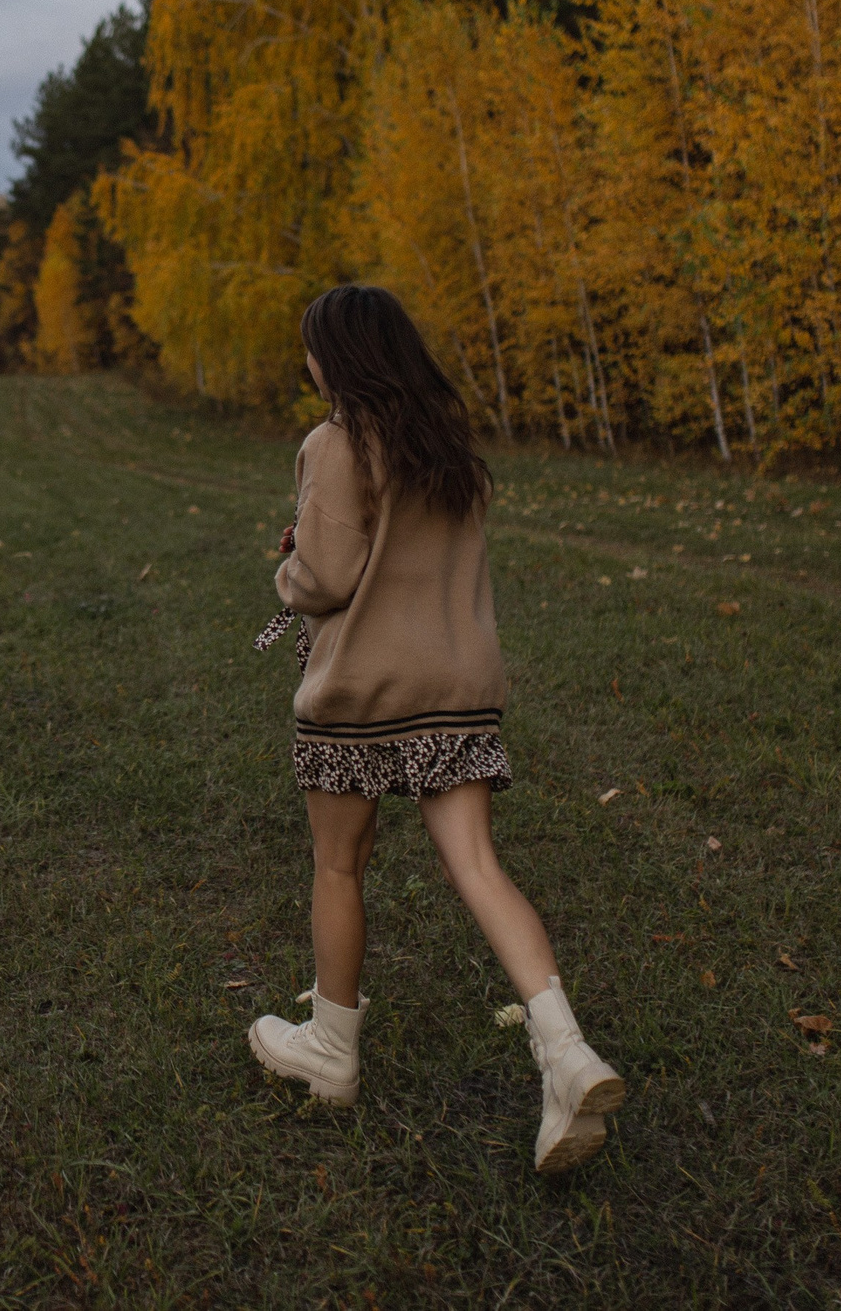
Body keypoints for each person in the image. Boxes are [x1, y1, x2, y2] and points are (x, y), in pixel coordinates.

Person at [244, 284, 624, 1173]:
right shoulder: (445, 449)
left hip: (364, 692)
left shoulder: (335, 443)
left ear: (336, 359)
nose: (307, 363)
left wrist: (287, 572)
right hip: (456, 687)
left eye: (311, 349)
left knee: (340, 864)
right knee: (479, 866)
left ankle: (333, 1052)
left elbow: (327, 577)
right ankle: (566, 1052)